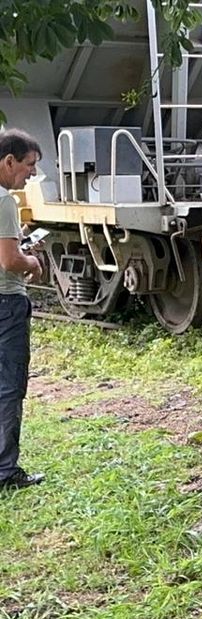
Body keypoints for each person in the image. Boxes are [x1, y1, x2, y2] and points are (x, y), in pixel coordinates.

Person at [0, 129, 44, 490]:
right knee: (10, 386)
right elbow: (10, 261)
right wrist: (32, 261)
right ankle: (5, 471)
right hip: (6, 303)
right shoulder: (4, 202)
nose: (30, 174)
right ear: (8, 161)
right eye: (28, 165)